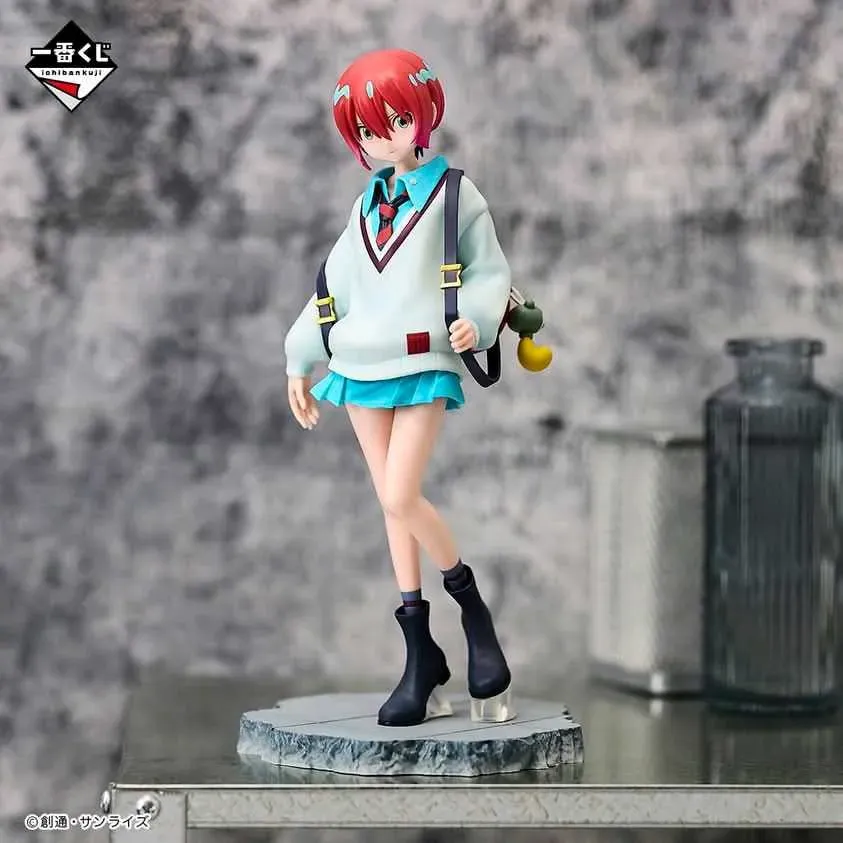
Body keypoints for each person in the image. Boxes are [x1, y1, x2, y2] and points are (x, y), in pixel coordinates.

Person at [284, 48, 514, 727]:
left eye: (395, 120)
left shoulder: (455, 195)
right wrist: (298, 357)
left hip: (423, 357)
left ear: (423, 114)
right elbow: (333, 291)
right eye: (367, 129)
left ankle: (473, 612)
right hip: (358, 365)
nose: (384, 137)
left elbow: (489, 272)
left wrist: (476, 321)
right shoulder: (366, 207)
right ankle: (420, 652)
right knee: (391, 507)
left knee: (399, 493)